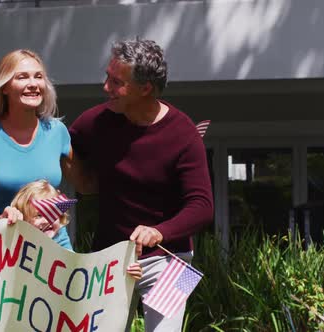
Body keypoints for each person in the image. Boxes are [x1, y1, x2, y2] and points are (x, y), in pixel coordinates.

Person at [68, 38, 214, 332]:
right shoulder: (97, 122)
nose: (106, 87)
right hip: (109, 260)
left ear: (145, 88)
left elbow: (203, 207)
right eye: (107, 77)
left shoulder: (183, 132)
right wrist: (80, 180)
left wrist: (160, 231)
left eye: (116, 82)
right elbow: (64, 147)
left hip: (171, 260)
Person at [0, 49, 74, 320]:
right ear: (5, 86)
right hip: (3, 261)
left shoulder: (57, 132)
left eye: (38, 76)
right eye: (22, 77)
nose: (33, 83)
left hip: (58, 257)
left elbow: (81, 181)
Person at [0, 179, 143, 284]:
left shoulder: (60, 240)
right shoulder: (16, 242)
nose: (46, 220)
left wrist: (124, 273)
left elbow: (82, 275)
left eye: (53, 215)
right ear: (23, 219)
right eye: (38, 215)